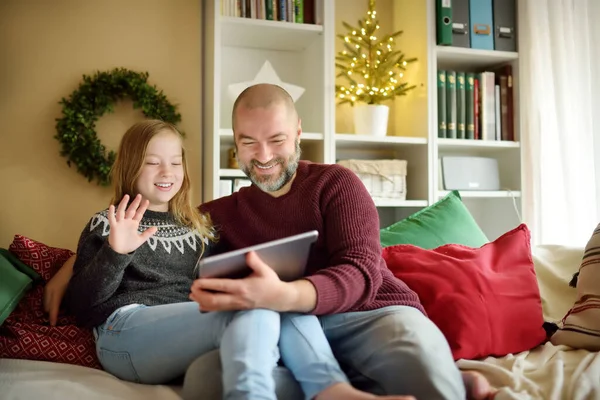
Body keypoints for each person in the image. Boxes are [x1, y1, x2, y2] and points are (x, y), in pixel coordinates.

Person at [61, 119, 413, 400]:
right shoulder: (107, 223)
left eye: (174, 162)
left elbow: (231, 275)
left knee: (278, 298)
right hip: (122, 333)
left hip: (185, 333)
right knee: (247, 306)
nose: (166, 172)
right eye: (152, 163)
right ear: (130, 167)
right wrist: (115, 252)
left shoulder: (199, 225)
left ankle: (333, 390)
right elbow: (83, 305)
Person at [187, 83, 493, 400]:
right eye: (248, 142)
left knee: (422, 369)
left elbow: (362, 272)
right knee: (206, 379)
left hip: (370, 315)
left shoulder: (335, 183)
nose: (263, 157)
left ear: (298, 133)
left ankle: (438, 381)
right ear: (235, 141)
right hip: (289, 335)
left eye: (277, 140)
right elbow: (162, 236)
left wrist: (286, 294)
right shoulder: (218, 215)